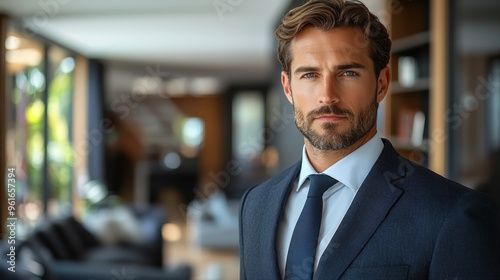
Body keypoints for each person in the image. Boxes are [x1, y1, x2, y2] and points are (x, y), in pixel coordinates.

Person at [238, 0, 500, 279]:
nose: (327, 95)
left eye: (348, 73)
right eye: (310, 74)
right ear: (288, 88)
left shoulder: (455, 215)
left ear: (382, 83)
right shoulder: (255, 204)